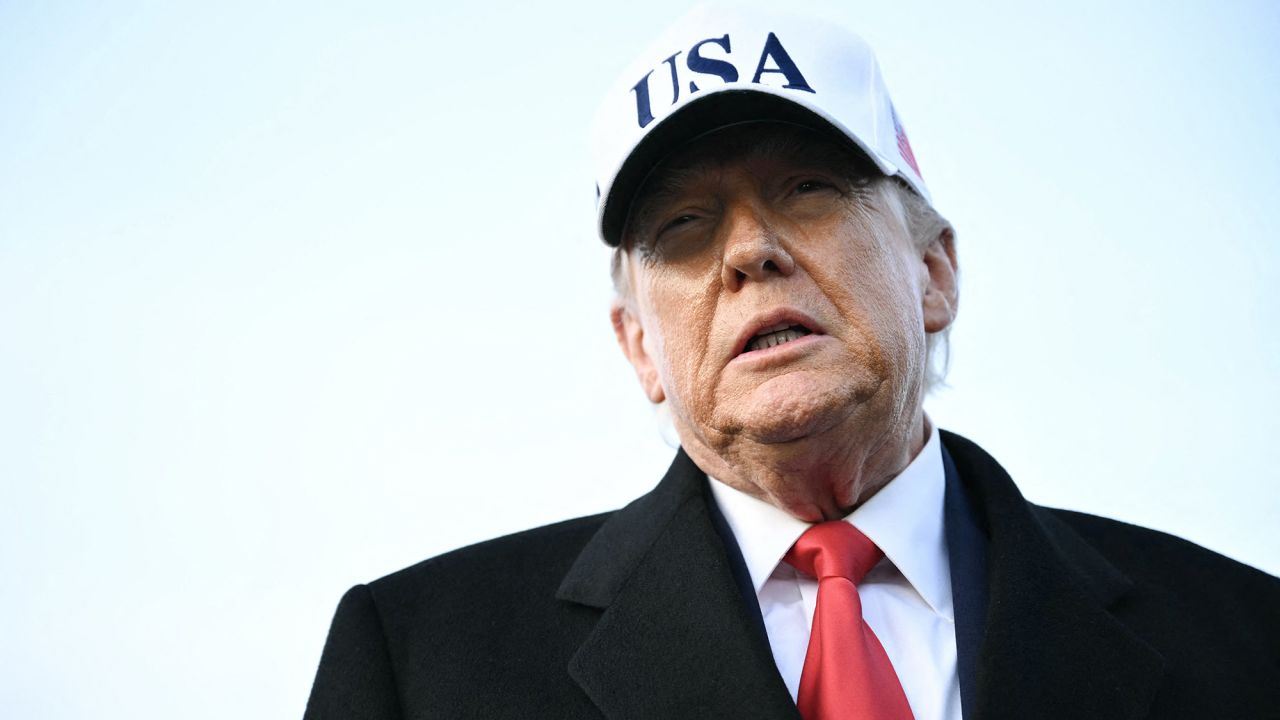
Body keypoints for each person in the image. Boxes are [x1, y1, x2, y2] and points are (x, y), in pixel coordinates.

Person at [303, 5, 1279, 719]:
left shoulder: (1245, 638)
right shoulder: (419, 664)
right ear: (639, 346)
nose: (748, 251)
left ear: (934, 272)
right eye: (681, 226)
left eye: (807, 188)